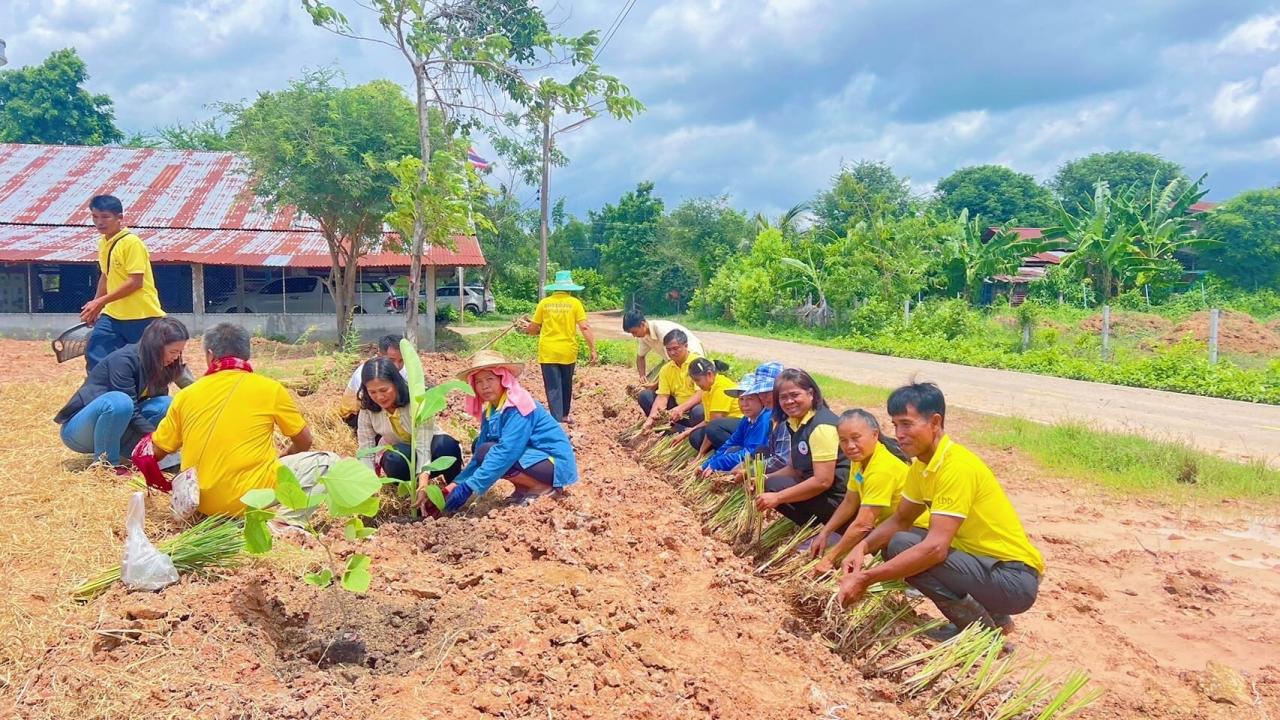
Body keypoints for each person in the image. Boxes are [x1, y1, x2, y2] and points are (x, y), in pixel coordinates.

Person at [837, 383, 1044, 639]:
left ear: (935, 422)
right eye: (895, 425)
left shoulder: (956, 467)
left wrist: (866, 578)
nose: (899, 433)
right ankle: (994, 618)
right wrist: (862, 547)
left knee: (907, 547)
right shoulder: (920, 468)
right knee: (899, 540)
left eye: (907, 424)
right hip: (983, 567)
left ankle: (978, 630)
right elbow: (901, 519)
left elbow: (936, 548)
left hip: (1013, 579)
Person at [145, 323, 337, 517]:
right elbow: (305, 440)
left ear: (210, 355)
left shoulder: (186, 395)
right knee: (329, 462)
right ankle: (285, 524)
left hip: (200, 502)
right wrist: (284, 457)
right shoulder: (269, 389)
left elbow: (157, 451)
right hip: (250, 500)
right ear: (247, 354)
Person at [432, 351, 578, 514]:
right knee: (480, 448)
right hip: (532, 458)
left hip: (553, 462)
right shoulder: (493, 409)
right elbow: (478, 457)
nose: (484, 386)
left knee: (488, 452)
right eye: (479, 381)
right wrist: (455, 485)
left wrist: (470, 486)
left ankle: (542, 487)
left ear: (503, 379)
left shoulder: (518, 406)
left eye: (490, 379)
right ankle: (524, 488)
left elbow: (507, 451)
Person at [56, 317, 189, 474]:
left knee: (166, 404)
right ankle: (106, 466)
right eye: (173, 352)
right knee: (120, 402)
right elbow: (130, 409)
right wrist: (158, 439)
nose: (176, 357)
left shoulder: (162, 365)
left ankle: (146, 455)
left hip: (117, 430)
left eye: (179, 352)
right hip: (80, 433)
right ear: (156, 346)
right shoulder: (123, 360)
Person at [811, 409, 930, 574]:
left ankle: (914, 576)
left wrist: (829, 559)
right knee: (870, 536)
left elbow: (863, 524)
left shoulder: (881, 469)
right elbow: (850, 501)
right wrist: (824, 532)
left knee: (883, 540)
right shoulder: (860, 459)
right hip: (893, 524)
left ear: (875, 434)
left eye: (856, 438)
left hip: (919, 530)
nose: (850, 446)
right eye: (843, 440)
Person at [81, 195, 167, 373]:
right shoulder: (103, 243)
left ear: (119, 218)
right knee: (96, 353)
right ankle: (101, 394)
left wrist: (100, 301)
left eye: (105, 217)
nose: (99, 222)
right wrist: (95, 306)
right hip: (113, 315)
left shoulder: (131, 243)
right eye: (95, 217)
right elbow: (106, 275)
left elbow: (135, 282)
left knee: (153, 366)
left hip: (142, 315)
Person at [754, 368, 849, 527]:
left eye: (795, 395)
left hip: (837, 498)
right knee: (769, 483)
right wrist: (760, 479)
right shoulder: (795, 423)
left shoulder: (821, 427)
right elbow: (794, 469)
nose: (789, 401)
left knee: (775, 488)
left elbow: (823, 481)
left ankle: (823, 529)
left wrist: (778, 497)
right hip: (820, 489)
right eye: (783, 398)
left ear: (810, 394)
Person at [355, 357, 464, 484]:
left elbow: (423, 445)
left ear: (395, 384)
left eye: (384, 390)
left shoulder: (416, 400)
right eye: (372, 392)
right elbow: (366, 447)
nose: (379, 397)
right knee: (393, 459)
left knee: (446, 446)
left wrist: (423, 484)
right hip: (404, 456)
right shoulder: (368, 407)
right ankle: (408, 487)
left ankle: (455, 487)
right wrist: (369, 482)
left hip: (431, 450)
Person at [522, 270, 597, 423]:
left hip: (548, 351)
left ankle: (556, 419)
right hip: (567, 351)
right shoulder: (575, 303)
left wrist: (527, 329)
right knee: (566, 383)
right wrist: (593, 349)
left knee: (552, 386)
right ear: (570, 288)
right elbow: (585, 327)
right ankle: (564, 415)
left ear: (555, 287)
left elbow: (534, 327)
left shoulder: (544, 303)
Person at [697, 361, 782, 477]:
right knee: (731, 450)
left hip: (767, 464)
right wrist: (708, 463)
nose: (744, 404)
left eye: (750, 399)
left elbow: (752, 453)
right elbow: (731, 442)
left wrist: (717, 463)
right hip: (754, 457)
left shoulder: (765, 420)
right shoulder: (747, 419)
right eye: (741, 399)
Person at [637, 329, 705, 432]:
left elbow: (701, 394)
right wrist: (650, 419)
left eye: (675, 348)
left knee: (698, 412)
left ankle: (687, 431)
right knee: (645, 396)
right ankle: (669, 428)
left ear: (686, 346)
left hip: (695, 408)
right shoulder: (666, 369)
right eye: (668, 350)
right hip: (677, 410)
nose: (672, 353)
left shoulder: (698, 363)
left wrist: (681, 408)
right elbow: (663, 396)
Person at [674, 357, 742, 457]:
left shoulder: (721, 388)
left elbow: (713, 424)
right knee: (695, 436)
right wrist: (686, 433)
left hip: (739, 426)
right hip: (724, 427)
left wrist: (700, 453)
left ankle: (734, 453)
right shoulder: (707, 391)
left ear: (709, 374)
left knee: (704, 433)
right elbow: (707, 421)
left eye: (697, 380)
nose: (697, 384)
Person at [339, 334, 406, 431]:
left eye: (401, 360)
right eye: (391, 360)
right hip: (358, 413)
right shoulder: (365, 373)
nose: (397, 366)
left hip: (387, 408)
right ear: (380, 355)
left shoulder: (404, 370)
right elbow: (370, 403)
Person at [622, 310, 705, 382]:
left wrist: (656, 384)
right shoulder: (643, 336)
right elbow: (640, 357)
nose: (634, 336)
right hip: (672, 361)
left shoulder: (662, 330)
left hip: (691, 358)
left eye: (634, 332)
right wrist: (642, 376)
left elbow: (672, 361)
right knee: (649, 383)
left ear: (643, 324)